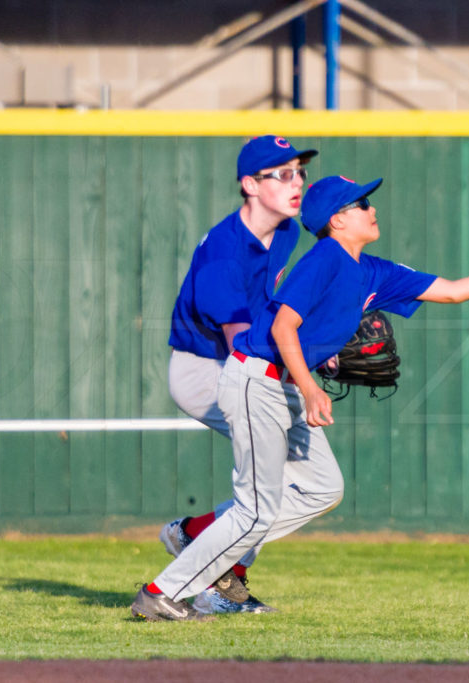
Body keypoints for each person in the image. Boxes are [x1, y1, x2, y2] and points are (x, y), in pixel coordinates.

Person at [130, 175, 469, 621]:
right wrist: (309, 388)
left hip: (282, 386)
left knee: (321, 488)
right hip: (255, 380)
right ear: (338, 219)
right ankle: (161, 592)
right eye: (362, 203)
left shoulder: (372, 271)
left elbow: (454, 291)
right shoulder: (323, 259)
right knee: (256, 509)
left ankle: (202, 535)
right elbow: (284, 327)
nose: (372, 208)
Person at [157, 134, 316, 616]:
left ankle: (199, 535)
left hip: (244, 361)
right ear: (250, 184)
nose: (297, 182)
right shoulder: (225, 252)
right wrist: (295, 371)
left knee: (298, 482)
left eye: (300, 172)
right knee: (268, 482)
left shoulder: (286, 230)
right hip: (206, 369)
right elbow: (240, 341)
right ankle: (212, 580)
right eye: (282, 174)